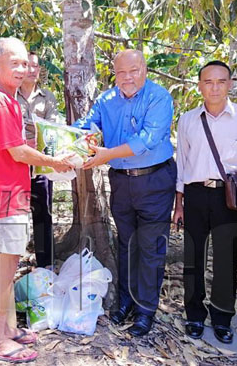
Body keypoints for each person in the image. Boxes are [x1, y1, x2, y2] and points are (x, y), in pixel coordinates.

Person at [0, 37, 73, 363]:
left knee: (10, 265)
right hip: (1, 197)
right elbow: (17, 151)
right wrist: (55, 161)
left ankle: (6, 330)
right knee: (3, 271)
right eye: (13, 63)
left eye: (24, 63)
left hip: (11, 195)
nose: (21, 69)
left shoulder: (10, 101)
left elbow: (16, 144)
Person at [73, 49, 177, 337]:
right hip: (121, 181)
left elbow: (147, 139)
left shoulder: (158, 97)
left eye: (134, 70)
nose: (128, 77)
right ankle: (125, 303)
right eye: (121, 72)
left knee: (151, 247)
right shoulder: (106, 100)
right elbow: (87, 127)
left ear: (144, 69)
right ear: (114, 73)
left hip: (155, 181)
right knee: (126, 244)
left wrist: (106, 154)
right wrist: (64, 137)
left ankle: (145, 311)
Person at [173, 60, 237, 344]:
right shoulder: (188, 119)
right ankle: (194, 315)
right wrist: (178, 204)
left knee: (226, 259)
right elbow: (182, 164)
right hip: (196, 194)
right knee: (193, 257)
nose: (214, 88)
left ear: (230, 84)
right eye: (208, 82)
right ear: (199, 85)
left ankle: (222, 318)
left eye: (221, 81)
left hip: (231, 198)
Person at [17, 51, 61, 268]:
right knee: (13, 216)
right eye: (28, 65)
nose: (33, 70)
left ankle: (46, 266)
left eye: (36, 66)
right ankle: (9, 264)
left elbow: (51, 129)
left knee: (43, 215)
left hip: (41, 165)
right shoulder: (9, 96)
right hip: (15, 165)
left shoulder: (47, 97)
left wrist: (31, 130)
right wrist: (34, 129)